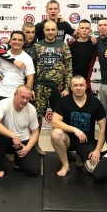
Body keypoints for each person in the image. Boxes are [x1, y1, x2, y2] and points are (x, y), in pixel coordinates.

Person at [31, 20, 73, 154]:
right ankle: (35, 145)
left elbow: (69, 68)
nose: (50, 32)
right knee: (37, 117)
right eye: (48, 30)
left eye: (53, 29)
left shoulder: (63, 45)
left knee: (60, 118)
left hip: (58, 88)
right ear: (43, 31)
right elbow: (30, 68)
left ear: (57, 31)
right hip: (40, 87)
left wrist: (67, 88)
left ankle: (63, 148)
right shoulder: (37, 46)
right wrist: (31, 88)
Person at [51, 75, 106, 177]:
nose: (78, 88)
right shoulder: (64, 101)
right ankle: (65, 165)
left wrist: (97, 151)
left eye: (81, 85)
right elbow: (54, 122)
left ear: (86, 86)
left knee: (94, 170)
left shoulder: (95, 102)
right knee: (56, 134)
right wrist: (75, 130)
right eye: (75, 85)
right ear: (71, 87)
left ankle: (80, 156)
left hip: (87, 141)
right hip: (69, 140)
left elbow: (103, 128)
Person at [0, 85, 41, 177]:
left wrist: (27, 148)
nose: (25, 100)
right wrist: (13, 135)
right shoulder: (3, 103)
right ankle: (1, 166)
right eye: (22, 97)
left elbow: (35, 132)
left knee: (34, 170)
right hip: (7, 140)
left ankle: (18, 160)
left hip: (23, 142)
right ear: (15, 95)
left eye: (27, 98)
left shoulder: (31, 109)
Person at [0, 30, 35, 121]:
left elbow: (30, 78)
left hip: (16, 96)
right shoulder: (1, 54)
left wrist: (25, 95)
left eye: (20, 40)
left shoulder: (27, 58)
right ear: (10, 40)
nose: (17, 42)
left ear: (23, 42)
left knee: (13, 124)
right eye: (14, 39)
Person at [68, 19, 97, 97]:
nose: (84, 30)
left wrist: (91, 37)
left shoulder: (94, 45)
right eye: (82, 28)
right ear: (78, 30)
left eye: (87, 28)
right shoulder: (70, 45)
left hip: (86, 84)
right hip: (71, 84)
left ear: (90, 30)